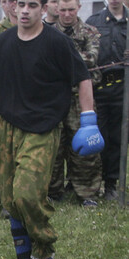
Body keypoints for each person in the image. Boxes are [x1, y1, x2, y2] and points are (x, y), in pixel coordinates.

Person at [0, 0, 104, 259]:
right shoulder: (2, 43)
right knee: (10, 197)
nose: (25, 10)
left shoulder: (57, 42)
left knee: (27, 193)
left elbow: (83, 78)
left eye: (32, 5)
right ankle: (23, 258)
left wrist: (88, 119)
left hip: (43, 128)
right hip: (7, 127)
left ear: (44, 8)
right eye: (21, 4)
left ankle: (44, 250)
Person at [48, 0, 102, 207]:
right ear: (56, 10)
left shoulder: (90, 32)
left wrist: (60, 56)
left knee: (85, 148)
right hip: (54, 98)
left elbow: (91, 58)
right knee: (53, 146)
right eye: (63, 10)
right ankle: (52, 190)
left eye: (71, 9)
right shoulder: (47, 32)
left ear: (78, 8)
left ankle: (86, 192)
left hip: (81, 97)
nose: (67, 14)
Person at [86, 0, 126, 202]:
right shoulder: (94, 22)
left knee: (117, 139)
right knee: (98, 138)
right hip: (99, 89)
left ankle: (111, 184)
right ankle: (92, 184)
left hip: (123, 90)